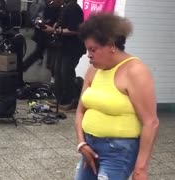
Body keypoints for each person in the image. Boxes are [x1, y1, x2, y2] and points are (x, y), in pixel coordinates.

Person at [74, 13, 159, 180]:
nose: (88, 55)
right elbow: (80, 111)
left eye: (93, 49)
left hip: (118, 151)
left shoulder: (135, 71)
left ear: (111, 46)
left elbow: (151, 122)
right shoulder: (94, 69)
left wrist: (141, 169)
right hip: (89, 147)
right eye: (87, 49)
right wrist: (81, 143)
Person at [43, 0, 86, 111]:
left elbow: (75, 30)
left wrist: (55, 30)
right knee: (57, 71)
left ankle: (70, 100)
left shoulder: (73, 8)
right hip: (62, 46)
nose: (51, 3)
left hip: (72, 48)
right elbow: (60, 23)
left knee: (66, 72)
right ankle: (60, 99)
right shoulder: (64, 7)